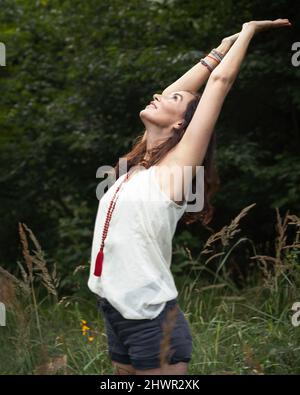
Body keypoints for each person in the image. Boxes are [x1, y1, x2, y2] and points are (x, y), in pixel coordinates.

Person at [88, 19, 292, 375]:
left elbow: (220, 82)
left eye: (173, 100)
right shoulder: (139, 164)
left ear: (180, 126)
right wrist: (221, 47)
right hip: (115, 309)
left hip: (152, 317)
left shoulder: (176, 171)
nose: (160, 95)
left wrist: (247, 31)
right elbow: (173, 90)